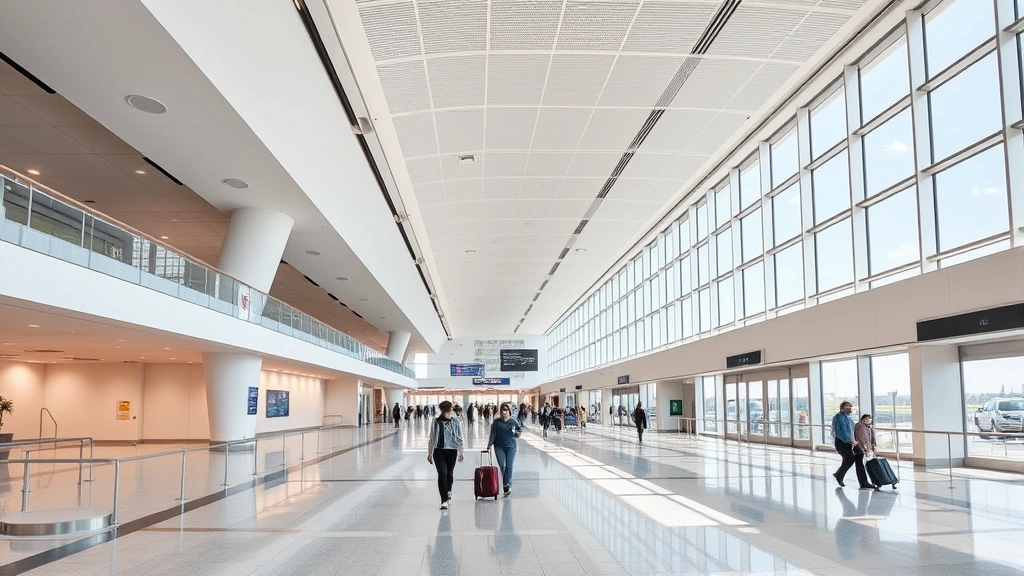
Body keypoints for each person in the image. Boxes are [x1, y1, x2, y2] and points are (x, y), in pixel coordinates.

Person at [427, 400, 465, 510]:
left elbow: (460, 436)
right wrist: (429, 452)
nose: (452, 411)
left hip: (452, 450)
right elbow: (432, 437)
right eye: (451, 409)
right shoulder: (436, 421)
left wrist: (461, 451)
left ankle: (448, 490)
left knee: (449, 473)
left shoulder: (455, 421)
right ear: (448, 410)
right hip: (439, 451)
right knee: (442, 473)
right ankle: (443, 500)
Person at [487, 403, 523, 496]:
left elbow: (519, 432)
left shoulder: (513, 421)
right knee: (502, 466)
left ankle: (507, 485)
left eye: (506, 410)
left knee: (509, 466)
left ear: (509, 411)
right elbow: (493, 433)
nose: (504, 412)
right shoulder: (496, 422)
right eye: (502, 410)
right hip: (499, 446)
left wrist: (516, 433)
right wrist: (489, 444)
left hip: (511, 447)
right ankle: (506, 483)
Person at [832, 401, 867, 488]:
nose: (849, 409)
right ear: (842, 408)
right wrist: (852, 441)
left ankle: (839, 475)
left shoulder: (848, 418)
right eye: (847, 407)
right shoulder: (839, 417)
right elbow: (842, 431)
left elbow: (851, 432)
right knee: (849, 459)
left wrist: (854, 441)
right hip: (841, 442)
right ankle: (839, 475)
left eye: (850, 407)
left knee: (855, 457)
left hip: (849, 443)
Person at [854, 414, 878, 490]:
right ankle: (863, 482)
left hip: (868, 449)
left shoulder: (870, 427)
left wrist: (873, 445)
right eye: (867, 419)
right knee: (860, 464)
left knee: (869, 464)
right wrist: (864, 448)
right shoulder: (860, 426)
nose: (869, 420)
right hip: (860, 448)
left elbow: (872, 437)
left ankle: (870, 481)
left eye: (870, 419)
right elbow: (860, 438)